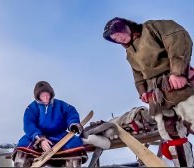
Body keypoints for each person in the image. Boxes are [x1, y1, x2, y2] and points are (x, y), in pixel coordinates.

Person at [103, 17, 194, 167]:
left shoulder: (152, 28)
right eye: (115, 38)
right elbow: (138, 74)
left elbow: (177, 38)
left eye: (119, 32)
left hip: (177, 85)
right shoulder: (130, 53)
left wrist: (178, 72)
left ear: (128, 26)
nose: (120, 38)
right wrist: (143, 91)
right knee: (171, 133)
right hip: (158, 96)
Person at [12, 81, 86, 167]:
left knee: (75, 145)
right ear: (38, 97)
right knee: (23, 149)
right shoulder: (31, 108)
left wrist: (73, 124)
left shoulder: (61, 105)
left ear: (51, 94)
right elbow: (29, 124)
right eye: (43, 96)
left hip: (60, 135)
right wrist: (40, 139)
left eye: (47, 95)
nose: (46, 98)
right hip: (38, 136)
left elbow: (71, 112)